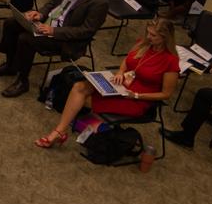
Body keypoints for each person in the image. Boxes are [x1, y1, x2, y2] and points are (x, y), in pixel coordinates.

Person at [36, 20, 178, 148]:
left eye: (153, 35)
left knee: (83, 99)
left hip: (137, 99)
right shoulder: (144, 44)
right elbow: (127, 61)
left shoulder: (170, 61)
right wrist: (120, 72)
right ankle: (60, 131)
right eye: (148, 33)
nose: (148, 37)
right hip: (122, 85)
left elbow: (166, 94)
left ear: (164, 38)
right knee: (80, 86)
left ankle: (59, 132)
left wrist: (135, 95)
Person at [0, 0, 109, 98]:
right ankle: (10, 65)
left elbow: (86, 31)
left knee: (25, 39)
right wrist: (41, 13)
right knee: (11, 23)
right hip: (47, 22)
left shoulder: (99, 2)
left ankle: (22, 80)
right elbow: (54, 2)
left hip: (64, 37)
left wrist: (54, 31)